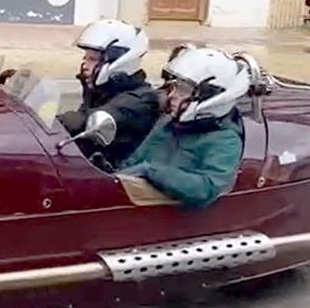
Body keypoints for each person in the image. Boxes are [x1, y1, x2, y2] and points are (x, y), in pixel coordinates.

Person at [116, 46, 251, 209]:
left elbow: (206, 188)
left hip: (174, 222)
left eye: (183, 90)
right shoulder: (169, 124)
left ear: (211, 97)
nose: (171, 95)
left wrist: (151, 172)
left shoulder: (225, 140)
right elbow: (134, 161)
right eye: (174, 87)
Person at [55, 19, 162, 167]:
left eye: (92, 59)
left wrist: (46, 122)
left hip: (118, 178)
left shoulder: (141, 101)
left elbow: (81, 121)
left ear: (121, 61)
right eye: (85, 58)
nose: (85, 66)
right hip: (92, 168)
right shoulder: (103, 91)